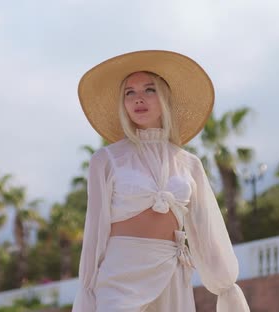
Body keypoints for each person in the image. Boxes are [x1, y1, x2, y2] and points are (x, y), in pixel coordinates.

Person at [73, 50, 250, 312]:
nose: (138, 99)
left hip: (172, 271)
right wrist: (87, 290)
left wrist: (225, 287)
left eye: (149, 89)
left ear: (165, 98)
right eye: (129, 93)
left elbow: (206, 231)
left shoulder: (189, 163)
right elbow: (94, 234)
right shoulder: (106, 159)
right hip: (119, 277)